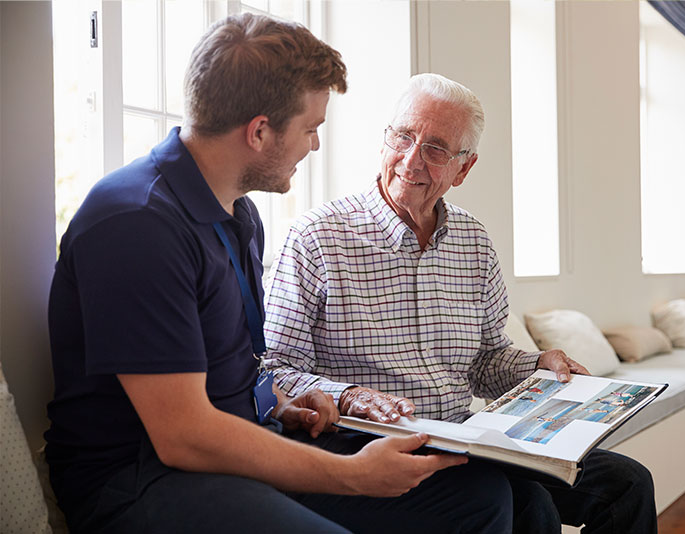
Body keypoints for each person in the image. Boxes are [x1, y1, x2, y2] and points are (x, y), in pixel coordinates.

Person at [45, 16, 514, 534]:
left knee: (480, 497)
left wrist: (282, 405)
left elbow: (240, 366)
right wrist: (351, 474)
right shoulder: (136, 222)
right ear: (261, 131)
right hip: (142, 479)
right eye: (311, 128)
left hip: (233, 449)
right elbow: (183, 436)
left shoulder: (238, 216)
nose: (315, 146)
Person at [263, 73, 658, 533]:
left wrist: (538, 366)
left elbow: (487, 361)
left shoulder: (473, 241)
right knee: (530, 504)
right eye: (403, 137)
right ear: (385, 138)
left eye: (435, 149)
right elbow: (274, 368)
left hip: (466, 436)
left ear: (463, 169)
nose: (411, 160)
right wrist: (350, 396)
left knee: (630, 484)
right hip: (363, 443)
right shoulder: (315, 237)